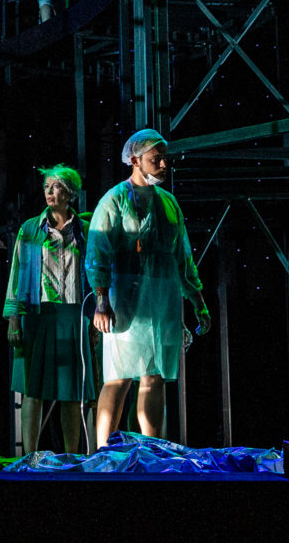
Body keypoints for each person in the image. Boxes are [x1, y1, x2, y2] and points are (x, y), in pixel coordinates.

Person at [88, 129, 208, 444]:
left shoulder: (168, 203)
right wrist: (101, 300)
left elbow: (182, 257)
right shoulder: (114, 200)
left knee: (154, 376)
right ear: (135, 160)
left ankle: (153, 448)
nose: (164, 165)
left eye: (165, 159)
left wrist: (198, 301)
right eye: (157, 159)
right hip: (126, 297)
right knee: (118, 376)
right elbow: (97, 251)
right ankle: (104, 450)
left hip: (163, 296)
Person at [3, 164, 95, 453]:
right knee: (33, 388)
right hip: (37, 313)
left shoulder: (85, 230)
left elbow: (96, 272)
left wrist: (95, 316)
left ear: (70, 193)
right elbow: (17, 275)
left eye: (55, 187)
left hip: (73, 313)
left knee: (71, 391)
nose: (49, 192)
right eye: (46, 187)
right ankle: (29, 455)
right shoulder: (30, 228)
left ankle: (70, 455)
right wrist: (14, 319)